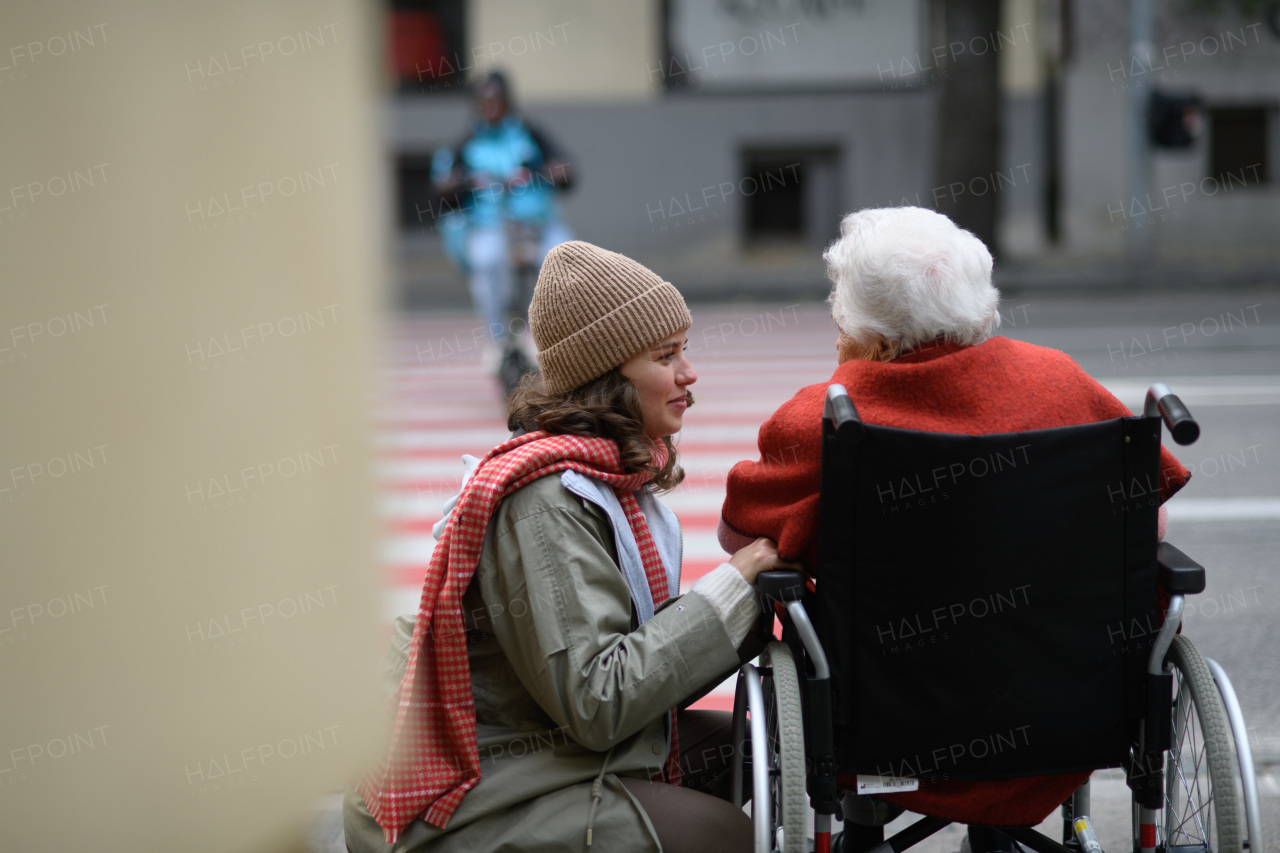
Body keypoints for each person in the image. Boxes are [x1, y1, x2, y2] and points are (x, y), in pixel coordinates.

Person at [717, 207, 1192, 852]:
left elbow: (738, 537)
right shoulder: (1063, 383)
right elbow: (1146, 521)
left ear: (878, 344)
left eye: (839, 320)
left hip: (885, 724)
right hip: (1070, 716)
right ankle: (997, 827)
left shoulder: (827, 420)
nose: (835, 338)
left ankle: (863, 827)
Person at [346, 240, 799, 852]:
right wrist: (736, 585)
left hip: (545, 747)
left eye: (684, 350)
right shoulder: (544, 502)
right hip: (477, 791)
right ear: (608, 378)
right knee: (721, 834)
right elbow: (598, 701)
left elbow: (629, 659)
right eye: (666, 356)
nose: (689, 374)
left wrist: (750, 605)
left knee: (762, 749)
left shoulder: (613, 471)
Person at [431, 70, 575, 375]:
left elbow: (566, 168)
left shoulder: (530, 133)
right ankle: (496, 340)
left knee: (564, 258)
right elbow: (442, 189)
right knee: (488, 261)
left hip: (538, 224)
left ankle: (545, 337)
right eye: (484, 100)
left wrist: (540, 171)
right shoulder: (467, 143)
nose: (490, 105)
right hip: (491, 225)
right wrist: (467, 182)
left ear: (508, 101)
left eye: (496, 99)